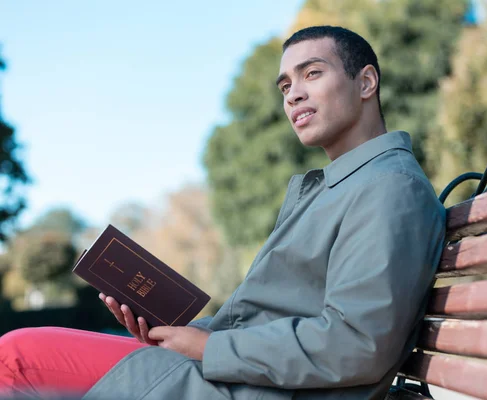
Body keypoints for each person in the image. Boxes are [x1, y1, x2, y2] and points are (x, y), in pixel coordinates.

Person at [0, 26, 446, 399]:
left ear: (366, 83)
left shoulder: (390, 188)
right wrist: (176, 332)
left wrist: (209, 347)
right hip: (235, 378)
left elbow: (357, 344)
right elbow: (266, 320)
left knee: (16, 358)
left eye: (312, 73)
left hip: (250, 389)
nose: (294, 95)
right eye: (287, 85)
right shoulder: (343, 185)